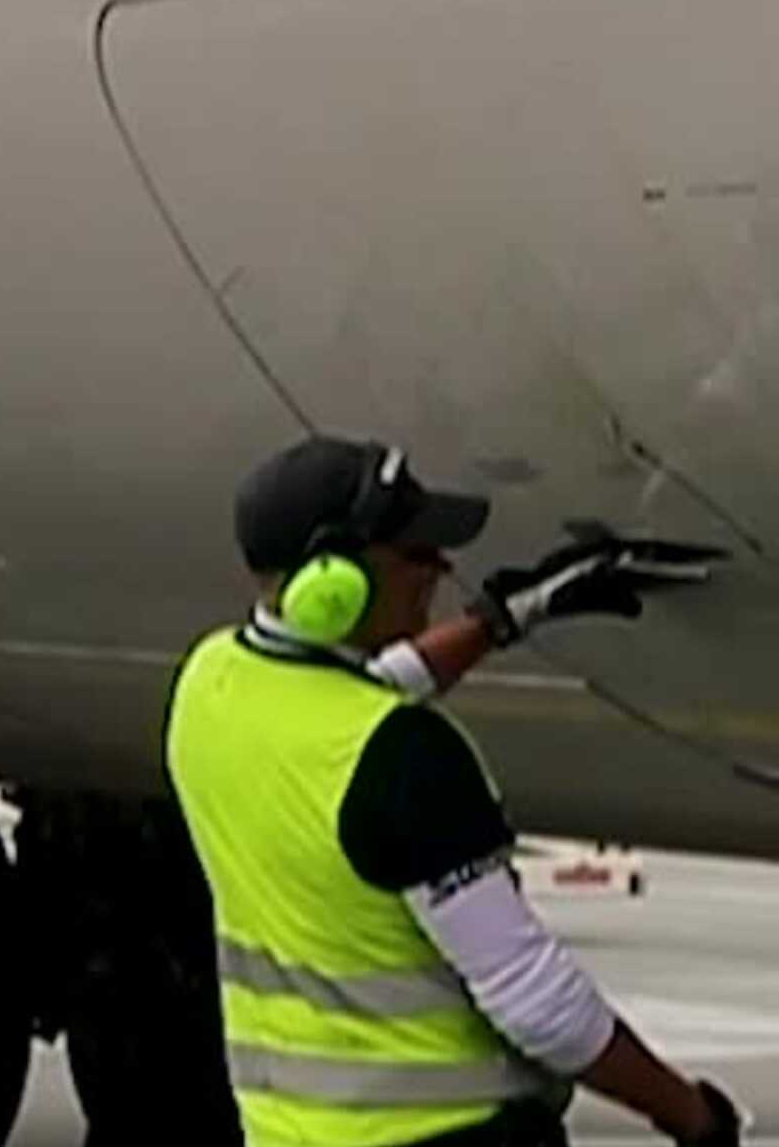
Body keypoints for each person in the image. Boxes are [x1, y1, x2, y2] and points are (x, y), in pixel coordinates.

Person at [165, 435, 742, 1147]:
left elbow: (351, 697)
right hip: (447, 1133)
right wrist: (688, 1114)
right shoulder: (405, 760)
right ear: (333, 583)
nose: (441, 567)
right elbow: (539, 1004)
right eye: (416, 553)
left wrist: (498, 622)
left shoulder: (210, 683)